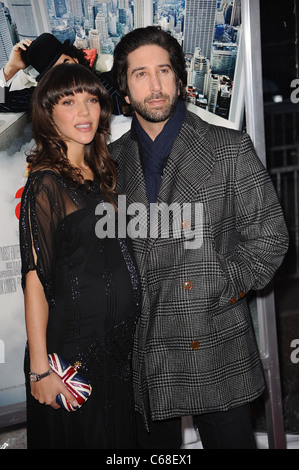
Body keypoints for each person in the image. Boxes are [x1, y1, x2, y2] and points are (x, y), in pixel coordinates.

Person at [110, 26, 289, 449]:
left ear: (179, 78)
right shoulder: (111, 161)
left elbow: (271, 237)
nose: (155, 86)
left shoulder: (228, 147)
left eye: (164, 71)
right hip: (146, 347)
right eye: (140, 74)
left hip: (214, 337)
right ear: (124, 86)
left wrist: (219, 284)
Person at [19, 63, 140, 449]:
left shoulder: (105, 173)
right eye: (69, 102)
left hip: (118, 350)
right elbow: (35, 278)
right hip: (72, 355)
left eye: (91, 100)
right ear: (48, 112)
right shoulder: (45, 183)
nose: (84, 112)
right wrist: (40, 371)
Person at [0, 32, 123, 115]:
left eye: (66, 63)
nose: (67, 73)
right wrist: (10, 68)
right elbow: (1, 100)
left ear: (75, 59)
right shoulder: (46, 98)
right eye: (56, 72)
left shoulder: (111, 81)